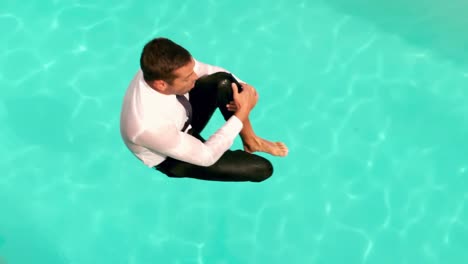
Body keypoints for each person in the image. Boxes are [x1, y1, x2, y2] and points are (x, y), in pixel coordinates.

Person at [120, 37, 288, 182]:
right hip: (172, 155)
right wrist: (241, 113)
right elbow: (206, 157)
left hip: (185, 117)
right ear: (161, 84)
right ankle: (248, 140)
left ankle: (251, 140)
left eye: (192, 70)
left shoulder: (161, 65)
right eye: (187, 77)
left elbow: (206, 70)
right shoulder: (146, 126)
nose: (195, 76)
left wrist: (245, 91)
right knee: (262, 169)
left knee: (224, 82)